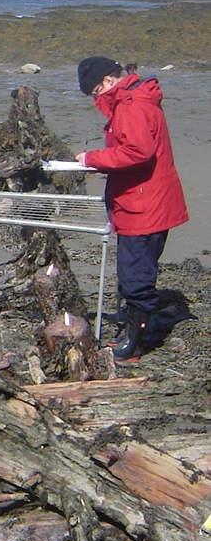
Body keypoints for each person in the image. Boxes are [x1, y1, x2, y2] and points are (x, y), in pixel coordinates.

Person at [75, 56, 188, 360]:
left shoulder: (130, 105)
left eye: (94, 93)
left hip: (144, 205)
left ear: (107, 83)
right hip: (147, 199)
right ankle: (134, 324)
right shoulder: (136, 98)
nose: (94, 100)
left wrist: (92, 159)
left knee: (135, 276)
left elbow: (138, 151)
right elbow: (133, 151)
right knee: (136, 270)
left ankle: (138, 341)